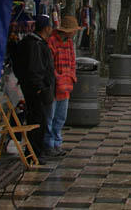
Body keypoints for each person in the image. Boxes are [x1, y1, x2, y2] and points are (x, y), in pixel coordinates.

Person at [12, 15, 56, 162]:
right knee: (37, 121)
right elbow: (35, 69)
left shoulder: (36, 43)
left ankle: (36, 152)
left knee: (40, 120)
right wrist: (39, 88)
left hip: (38, 89)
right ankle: (34, 153)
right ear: (46, 28)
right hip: (36, 91)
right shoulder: (34, 44)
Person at [45, 15, 80, 158]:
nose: (74, 33)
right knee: (50, 117)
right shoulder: (52, 41)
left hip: (66, 86)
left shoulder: (70, 42)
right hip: (54, 86)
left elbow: (72, 61)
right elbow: (49, 64)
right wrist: (58, 77)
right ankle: (48, 144)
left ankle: (57, 143)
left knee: (60, 117)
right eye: (73, 30)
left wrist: (71, 76)